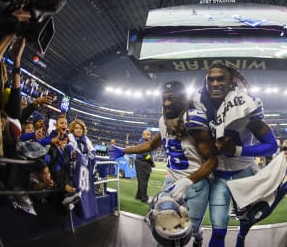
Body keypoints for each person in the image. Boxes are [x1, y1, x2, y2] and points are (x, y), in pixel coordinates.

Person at [109, 81, 218, 247]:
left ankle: (199, 236)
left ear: (183, 99)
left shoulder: (193, 121)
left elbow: (212, 161)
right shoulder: (163, 121)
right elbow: (151, 145)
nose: (166, 103)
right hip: (172, 182)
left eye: (171, 98)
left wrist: (188, 181)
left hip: (196, 184)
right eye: (164, 98)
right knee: (166, 227)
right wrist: (125, 150)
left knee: (191, 229)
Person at [191, 63, 277, 247]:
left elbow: (271, 146)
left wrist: (237, 150)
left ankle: (241, 237)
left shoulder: (244, 104)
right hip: (220, 174)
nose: (215, 83)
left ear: (233, 81)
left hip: (244, 172)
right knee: (218, 230)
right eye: (210, 79)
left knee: (248, 219)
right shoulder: (198, 103)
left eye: (220, 78)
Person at [134, 129, 154, 204]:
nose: (150, 136)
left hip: (142, 163)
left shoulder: (144, 141)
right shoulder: (143, 142)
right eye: (148, 134)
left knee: (141, 180)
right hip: (143, 163)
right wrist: (152, 163)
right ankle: (144, 198)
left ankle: (139, 195)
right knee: (143, 181)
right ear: (143, 135)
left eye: (150, 134)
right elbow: (146, 155)